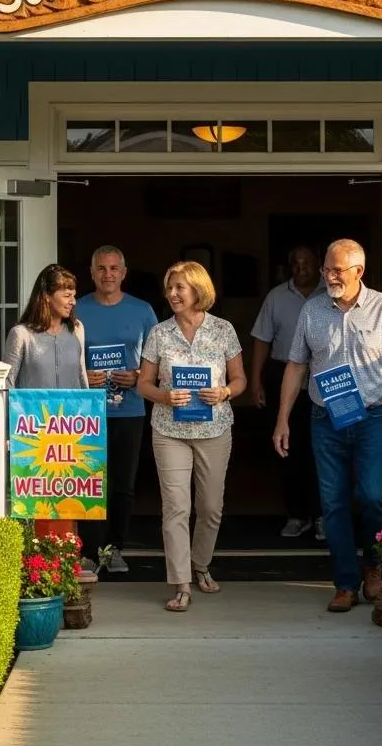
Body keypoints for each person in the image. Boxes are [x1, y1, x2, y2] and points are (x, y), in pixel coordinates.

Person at [272, 239, 382, 613]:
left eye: (337, 270)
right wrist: (282, 418)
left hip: (371, 417)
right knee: (332, 504)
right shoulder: (312, 310)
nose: (329, 276)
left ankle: (374, 564)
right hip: (326, 419)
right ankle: (345, 583)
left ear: (359, 271)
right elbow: (296, 365)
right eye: (327, 269)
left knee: (372, 495)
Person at [136, 260, 247, 613]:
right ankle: (181, 583)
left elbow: (240, 379)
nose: (172, 294)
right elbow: (143, 384)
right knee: (176, 508)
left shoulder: (223, 330)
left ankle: (201, 564)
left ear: (198, 289)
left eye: (179, 287)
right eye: (169, 288)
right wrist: (164, 396)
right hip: (170, 432)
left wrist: (225, 392)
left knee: (211, 507)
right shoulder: (159, 333)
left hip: (214, 430)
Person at [74, 245, 158, 576]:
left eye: (113, 269)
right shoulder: (77, 309)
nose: (107, 274)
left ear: (123, 273)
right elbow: (64, 355)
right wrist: (84, 375)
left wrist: (138, 376)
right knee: (89, 482)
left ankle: (115, 549)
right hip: (87, 411)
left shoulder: (142, 310)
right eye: (101, 268)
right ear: (92, 273)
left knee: (123, 484)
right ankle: (90, 552)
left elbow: (158, 358)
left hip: (130, 410)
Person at [249, 245, 324, 540]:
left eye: (307, 263)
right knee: (288, 448)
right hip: (282, 375)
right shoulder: (276, 296)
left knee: (322, 448)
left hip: (322, 375)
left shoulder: (330, 293)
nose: (301, 268)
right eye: (295, 263)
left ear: (319, 264)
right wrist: (255, 381)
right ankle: (297, 515)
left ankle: (322, 515)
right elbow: (261, 340)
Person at [3, 263, 88, 391]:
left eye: (74, 295)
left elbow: (81, 376)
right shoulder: (21, 334)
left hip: (72, 405)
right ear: (47, 296)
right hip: (32, 405)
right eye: (67, 296)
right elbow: (8, 384)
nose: (73, 301)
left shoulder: (77, 329)